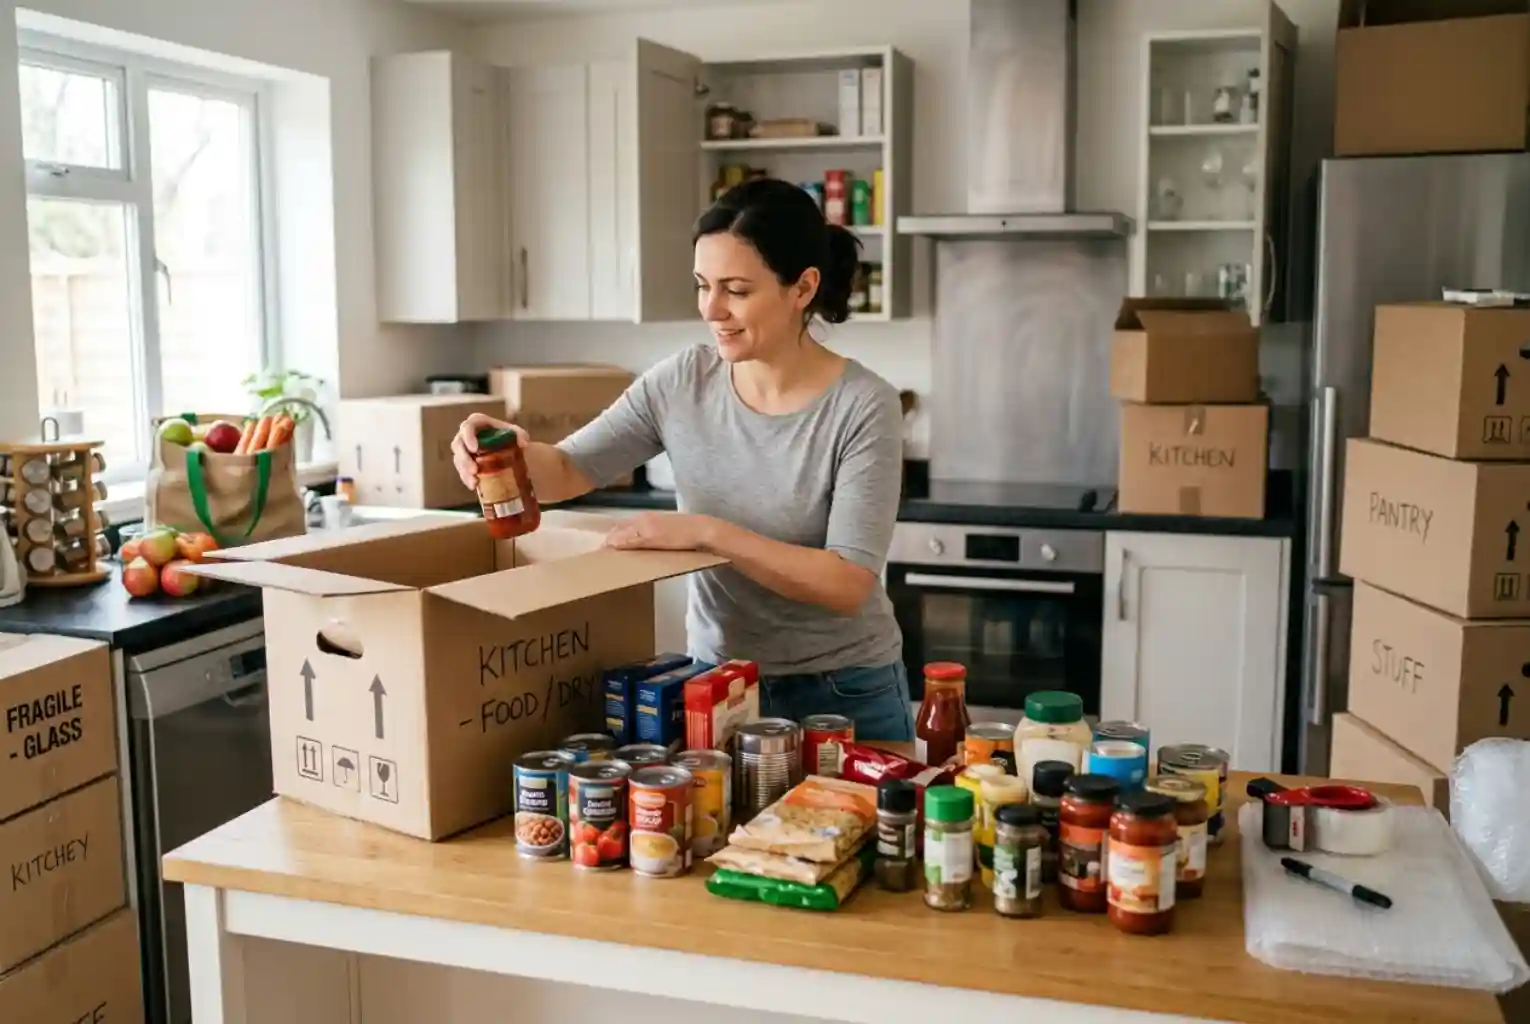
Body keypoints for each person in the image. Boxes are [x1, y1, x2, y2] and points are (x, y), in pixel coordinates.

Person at [451, 177, 910, 739]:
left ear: (803, 287)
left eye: (736, 289)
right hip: (719, 684)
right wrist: (508, 453)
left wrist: (706, 533)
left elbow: (846, 584)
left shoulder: (864, 406)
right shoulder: (682, 381)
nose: (712, 309)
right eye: (702, 285)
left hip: (843, 690)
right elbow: (568, 470)